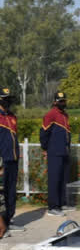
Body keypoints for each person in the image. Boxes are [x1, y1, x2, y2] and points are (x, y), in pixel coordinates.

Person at [40, 91, 71, 216]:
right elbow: (43, 133)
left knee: (63, 179)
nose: (62, 103)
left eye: (64, 100)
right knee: (54, 179)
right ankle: (52, 207)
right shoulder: (51, 114)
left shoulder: (65, 115)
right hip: (54, 152)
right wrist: (46, 149)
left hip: (64, 152)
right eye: (60, 101)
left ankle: (62, 203)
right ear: (54, 102)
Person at [0, 87, 22, 231]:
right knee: (1, 193)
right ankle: (2, 223)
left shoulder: (12, 117)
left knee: (11, 191)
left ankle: (10, 219)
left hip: (13, 159)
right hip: (2, 161)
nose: (8, 102)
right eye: (5, 99)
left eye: (9, 99)